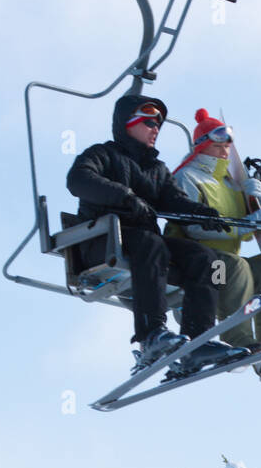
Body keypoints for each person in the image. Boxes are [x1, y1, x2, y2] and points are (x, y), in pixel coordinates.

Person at [66, 94, 243, 374]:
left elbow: (173, 200)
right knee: (151, 243)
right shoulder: (102, 154)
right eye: (149, 122)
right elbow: (78, 180)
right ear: (128, 124)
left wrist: (202, 213)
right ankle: (151, 335)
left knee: (207, 258)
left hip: (143, 247)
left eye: (159, 124)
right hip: (102, 243)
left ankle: (197, 341)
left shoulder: (156, 169)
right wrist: (124, 197)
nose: (155, 129)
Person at [166, 109, 261, 382]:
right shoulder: (187, 177)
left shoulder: (230, 183)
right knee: (236, 267)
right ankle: (239, 342)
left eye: (228, 146)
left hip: (226, 264)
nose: (225, 152)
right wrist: (242, 226)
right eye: (218, 146)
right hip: (199, 266)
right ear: (204, 146)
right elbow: (192, 225)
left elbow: (250, 231)